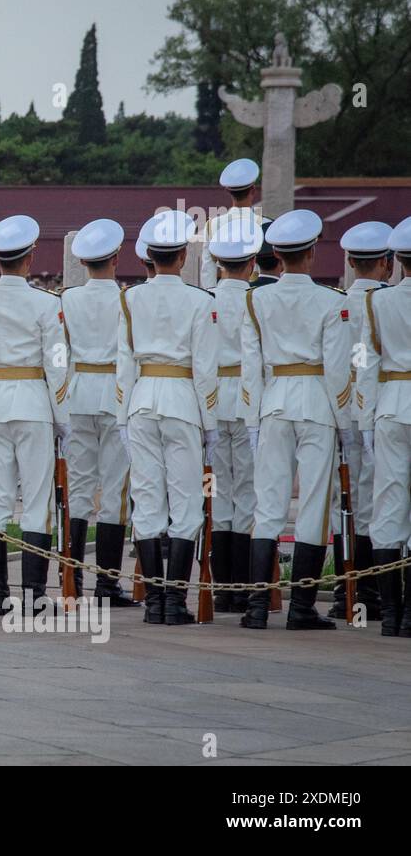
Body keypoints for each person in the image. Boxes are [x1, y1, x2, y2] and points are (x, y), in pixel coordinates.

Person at [240, 209, 353, 630]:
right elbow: (339, 369)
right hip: (316, 402)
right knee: (312, 506)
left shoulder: (256, 299)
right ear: (311, 253)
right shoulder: (331, 301)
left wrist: (253, 419)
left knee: (267, 503)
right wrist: (345, 421)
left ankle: (256, 608)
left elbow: (252, 368)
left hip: (273, 402)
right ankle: (301, 608)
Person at [0, 215, 69, 614]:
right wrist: (63, 418)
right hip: (33, 403)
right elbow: (57, 364)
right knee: (37, 500)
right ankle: (34, 595)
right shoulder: (47, 303)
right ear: (30, 258)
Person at [118, 211, 218, 626]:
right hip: (181, 402)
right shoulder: (201, 301)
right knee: (187, 503)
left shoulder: (130, 298)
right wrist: (209, 423)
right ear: (181, 256)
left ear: (152, 256)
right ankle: (173, 601)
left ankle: (155, 603)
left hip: (141, 399)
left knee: (147, 499)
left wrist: (123, 416)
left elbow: (123, 361)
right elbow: (205, 369)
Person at [60, 219, 137, 608]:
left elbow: (61, 355)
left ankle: (71, 576)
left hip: (78, 395)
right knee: (113, 493)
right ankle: (107, 583)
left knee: (78, 488)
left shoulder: (67, 298)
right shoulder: (125, 299)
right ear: (117, 257)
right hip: (113, 394)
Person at [331, 221, 394, 621]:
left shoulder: (335, 302)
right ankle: (371, 592)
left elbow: (342, 363)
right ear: (386, 265)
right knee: (380, 498)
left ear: (351, 262)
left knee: (346, 500)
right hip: (383, 409)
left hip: (345, 409)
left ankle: (346, 589)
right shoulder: (387, 302)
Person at [205, 209, 262, 613]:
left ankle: (222, 589)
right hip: (246, 397)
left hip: (213, 400)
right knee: (247, 491)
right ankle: (240, 587)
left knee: (219, 491)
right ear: (253, 262)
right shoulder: (256, 300)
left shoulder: (205, 300)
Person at [356, 217, 409, 636]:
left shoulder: (376, 302)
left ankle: (391, 615)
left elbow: (363, 361)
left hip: (390, 407)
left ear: (398, 261)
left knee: (389, 504)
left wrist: (365, 417)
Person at [201, 158, 261, 289]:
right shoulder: (262, 223)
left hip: (223, 290)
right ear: (253, 190)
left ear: (228, 191)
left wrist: (211, 295)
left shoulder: (213, 225)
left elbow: (207, 268)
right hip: (255, 292)